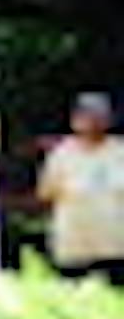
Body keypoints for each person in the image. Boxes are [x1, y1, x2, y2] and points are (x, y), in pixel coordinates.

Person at [36, 92, 124, 286]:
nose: (92, 122)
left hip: (117, 248)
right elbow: (45, 193)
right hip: (75, 249)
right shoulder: (61, 154)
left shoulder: (120, 151)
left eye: (99, 116)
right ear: (75, 121)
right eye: (86, 116)